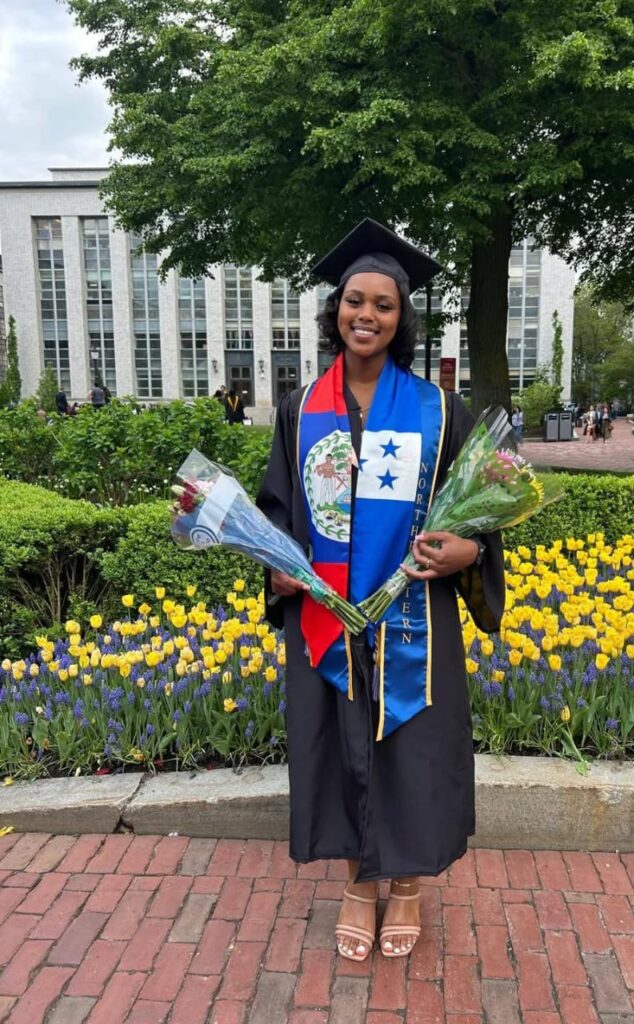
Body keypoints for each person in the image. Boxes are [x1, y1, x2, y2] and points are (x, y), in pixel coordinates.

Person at [257, 219, 504, 963]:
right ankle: (359, 886)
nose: (366, 315)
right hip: (328, 613)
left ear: (402, 319)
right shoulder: (301, 408)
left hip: (413, 614)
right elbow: (278, 507)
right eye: (354, 301)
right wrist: (274, 562)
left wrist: (468, 551)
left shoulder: (438, 410)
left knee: (411, 747)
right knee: (339, 747)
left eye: (383, 305)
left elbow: (480, 512)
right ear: (335, 310)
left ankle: (407, 887)